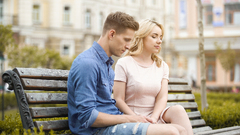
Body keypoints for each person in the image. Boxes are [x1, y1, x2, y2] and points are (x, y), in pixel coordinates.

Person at [68, 12, 187, 135]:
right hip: (96, 131)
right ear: (112, 34)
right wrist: (131, 118)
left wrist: (132, 119)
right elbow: (87, 117)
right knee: (171, 132)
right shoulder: (88, 63)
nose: (129, 46)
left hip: (112, 125)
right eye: (126, 40)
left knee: (181, 130)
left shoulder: (106, 63)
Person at [113, 19, 193, 135]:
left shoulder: (162, 66)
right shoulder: (124, 63)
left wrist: (154, 119)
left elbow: (162, 98)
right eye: (154, 36)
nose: (159, 41)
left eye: (161, 37)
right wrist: (136, 118)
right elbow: (118, 99)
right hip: (132, 118)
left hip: (154, 118)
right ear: (142, 37)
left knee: (178, 110)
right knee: (175, 132)